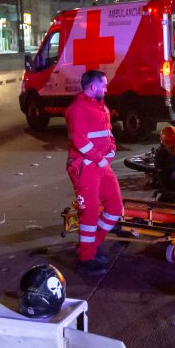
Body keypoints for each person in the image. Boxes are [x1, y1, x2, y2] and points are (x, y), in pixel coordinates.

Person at [66, 69, 123, 271]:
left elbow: (107, 132)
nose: (106, 88)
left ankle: (91, 244)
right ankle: (87, 257)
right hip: (85, 167)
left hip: (99, 165)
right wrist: (100, 159)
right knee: (89, 214)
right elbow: (80, 141)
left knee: (115, 207)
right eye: (104, 85)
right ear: (93, 86)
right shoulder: (78, 109)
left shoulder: (100, 106)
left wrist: (112, 149)